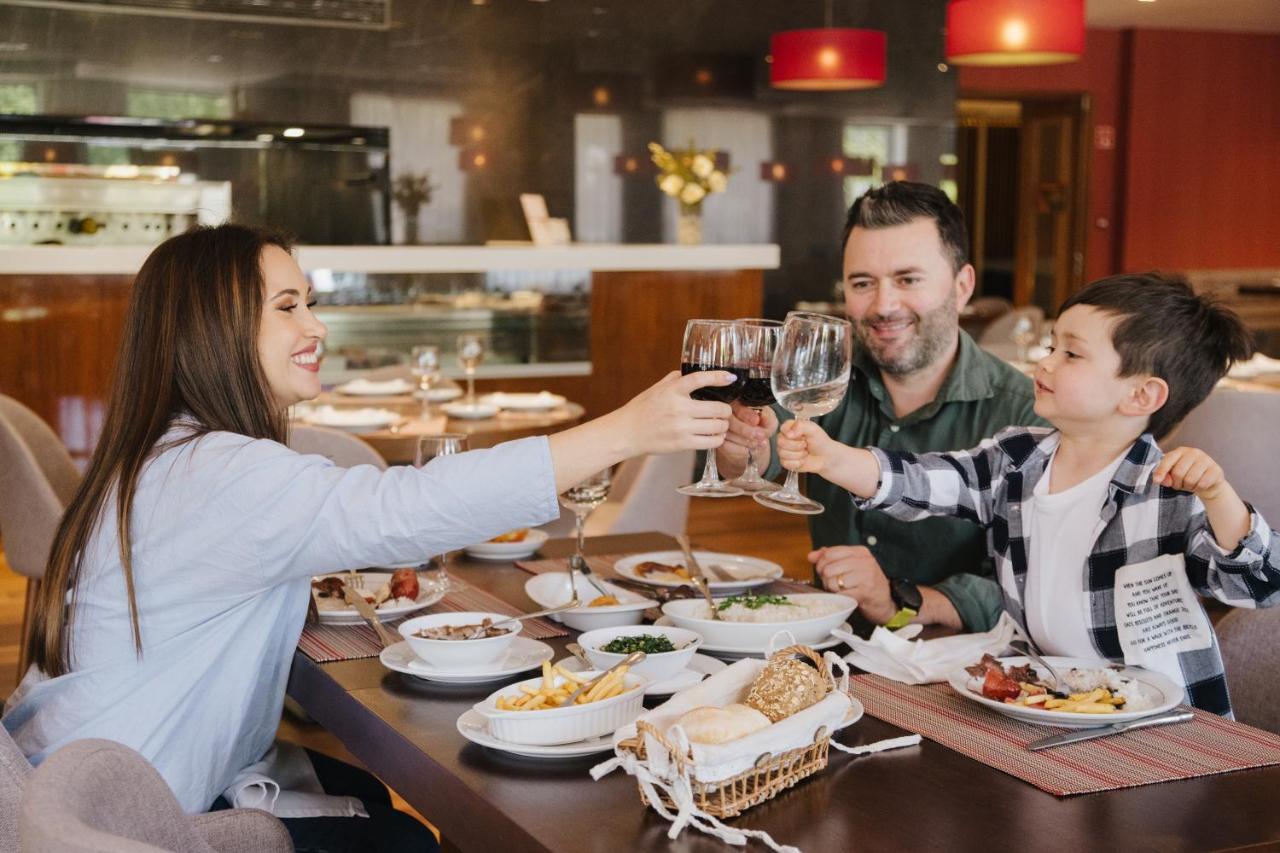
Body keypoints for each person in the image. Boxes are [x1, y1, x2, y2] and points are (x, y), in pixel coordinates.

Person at [2, 224, 737, 851]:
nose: (317, 326)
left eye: (310, 304)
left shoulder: (163, 455)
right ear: (215, 330)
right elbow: (406, 508)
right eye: (288, 307)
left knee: (367, 793)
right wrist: (627, 429)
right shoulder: (221, 473)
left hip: (81, 778)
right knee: (407, 835)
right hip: (144, 812)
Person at [776, 273, 1278, 715]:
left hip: (1157, 721)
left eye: (1071, 354)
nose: (1046, 361)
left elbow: (1259, 584)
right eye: (1052, 345)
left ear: (1141, 395)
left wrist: (1217, 496)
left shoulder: (1166, 489)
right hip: (1048, 697)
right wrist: (834, 459)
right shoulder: (1018, 458)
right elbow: (930, 480)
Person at [717, 181, 1045, 632]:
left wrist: (896, 600)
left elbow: (1030, 585)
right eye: (863, 283)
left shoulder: (1026, 412)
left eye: (908, 279)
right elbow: (757, 456)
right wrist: (740, 443)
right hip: (831, 644)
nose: (883, 305)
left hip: (960, 663)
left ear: (962, 285)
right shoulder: (824, 376)